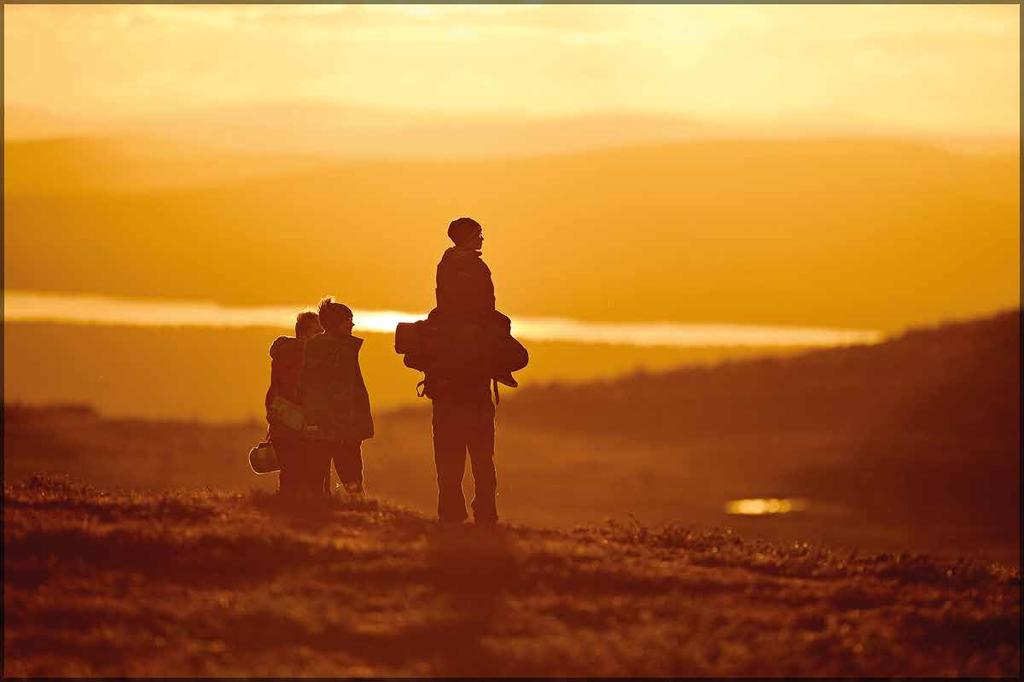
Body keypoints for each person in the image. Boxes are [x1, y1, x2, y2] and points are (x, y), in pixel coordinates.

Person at [428, 217, 499, 525]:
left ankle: (450, 512)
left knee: (448, 456)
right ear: (469, 237)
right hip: (475, 388)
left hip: (444, 389)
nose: (483, 239)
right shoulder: (478, 269)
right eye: (479, 234)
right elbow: (489, 306)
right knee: (482, 456)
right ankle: (485, 512)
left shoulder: (444, 266)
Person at [299, 296, 374, 499]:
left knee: (317, 479)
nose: (352, 324)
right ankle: (356, 509)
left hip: (325, 427)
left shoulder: (321, 348)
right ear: (336, 323)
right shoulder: (337, 350)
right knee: (351, 478)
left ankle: (317, 510)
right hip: (340, 427)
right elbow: (342, 392)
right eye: (348, 319)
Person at [265, 310, 322, 499]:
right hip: (298, 427)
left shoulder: (283, 354)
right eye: (318, 332)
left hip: (282, 425)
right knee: (307, 478)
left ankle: (288, 513)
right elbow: (300, 393)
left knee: (289, 477)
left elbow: (274, 392)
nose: (322, 336)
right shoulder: (302, 356)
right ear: (304, 334)